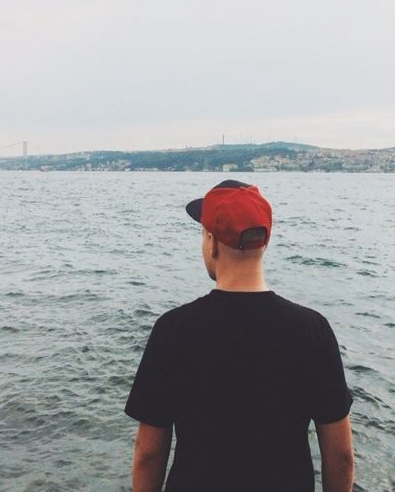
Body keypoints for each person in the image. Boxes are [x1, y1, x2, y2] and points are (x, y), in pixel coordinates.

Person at [125, 180, 354, 492]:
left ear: (212, 243)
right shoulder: (313, 330)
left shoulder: (174, 330)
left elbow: (148, 454)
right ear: (264, 243)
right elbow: (340, 456)